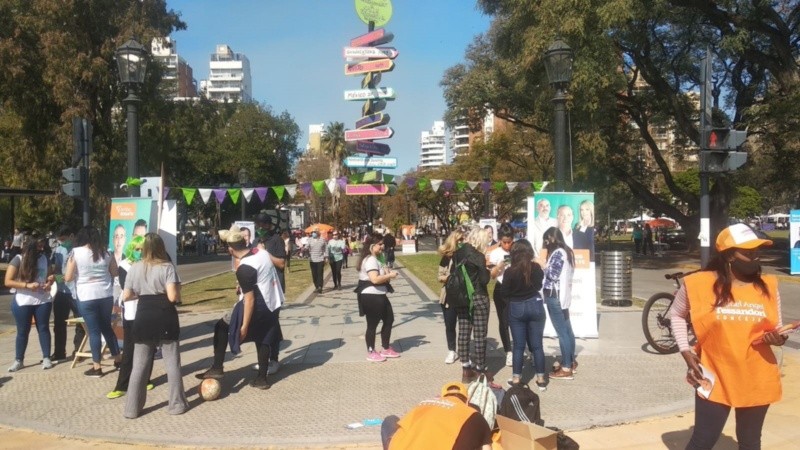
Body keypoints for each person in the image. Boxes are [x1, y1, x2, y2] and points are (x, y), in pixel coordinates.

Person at [670, 224, 787, 449]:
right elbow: (676, 314)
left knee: (750, 442)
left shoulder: (769, 287)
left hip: (756, 375)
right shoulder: (699, 284)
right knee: (703, 440)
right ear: (729, 255)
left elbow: (777, 328)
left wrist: (778, 338)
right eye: (747, 252)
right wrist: (685, 350)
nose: (754, 257)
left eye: (756, 251)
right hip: (714, 375)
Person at [195, 225, 283, 390]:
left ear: (230, 250)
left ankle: (217, 367)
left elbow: (249, 300)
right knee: (263, 338)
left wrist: (243, 326)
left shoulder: (244, 268)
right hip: (273, 302)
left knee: (221, 326)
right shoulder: (261, 252)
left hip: (257, 304)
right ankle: (262, 379)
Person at [121, 233, 188, 418]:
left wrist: (142, 295)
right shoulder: (166, 267)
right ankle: (176, 405)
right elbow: (173, 297)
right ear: (161, 247)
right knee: (172, 362)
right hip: (164, 314)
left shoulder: (134, 268)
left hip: (143, 314)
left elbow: (126, 295)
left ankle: (132, 409)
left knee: (139, 365)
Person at [64, 226, 122, 377]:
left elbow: (68, 277)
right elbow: (115, 272)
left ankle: (97, 367)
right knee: (107, 328)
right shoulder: (107, 252)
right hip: (105, 295)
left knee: (93, 331)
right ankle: (118, 360)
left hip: (86, 296)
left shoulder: (76, 253)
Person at [107, 236, 155, 400]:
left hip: (148, 311)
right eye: (137, 249)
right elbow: (127, 290)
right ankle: (122, 385)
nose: (140, 252)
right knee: (129, 350)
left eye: (142, 249)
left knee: (148, 347)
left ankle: (146, 378)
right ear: (131, 249)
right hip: (132, 313)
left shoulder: (150, 264)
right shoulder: (125, 265)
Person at [381, 382, 493, 450]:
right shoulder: (473, 415)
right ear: (467, 401)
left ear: (440, 397)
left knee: (390, 420)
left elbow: (403, 427)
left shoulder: (424, 404)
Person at [5, 238, 55, 372]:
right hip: (23, 301)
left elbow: (50, 275)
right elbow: (8, 281)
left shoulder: (45, 258)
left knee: (43, 328)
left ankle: (46, 357)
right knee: (22, 331)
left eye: (42, 246)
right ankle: (18, 360)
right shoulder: (18, 259)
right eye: (38, 247)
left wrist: (49, 282)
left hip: (42, 300)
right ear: (30, 248)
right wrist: (27, 285)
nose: (42, 249)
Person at [503, 239, 547, 390]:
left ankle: (516, 378)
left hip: (516, 307)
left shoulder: (510, 271)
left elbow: (504, 292)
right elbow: (540, 284)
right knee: (537, 345)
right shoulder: (535, 268)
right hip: (535, 304)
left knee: (518, 346)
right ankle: (541, 378)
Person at [454, 226, 493, 385]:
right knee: (479, 334)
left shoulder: (459, 252)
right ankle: (480, 369)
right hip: (478, 297)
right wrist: (490, 270)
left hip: (463, 297)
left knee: (463, 331)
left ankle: (465, 368)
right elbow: (484, 280)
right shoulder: (478, 256)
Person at [355, 232, 400, 362]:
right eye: (380, 244)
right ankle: (371, 351)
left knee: (389, 319)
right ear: (372, 246)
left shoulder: (378, 259)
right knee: (372, 324)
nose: (382, 247)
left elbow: (384, 278)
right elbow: (374, 279)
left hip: (380, 294)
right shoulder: (370, 260)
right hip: (370, 296)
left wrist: (386, 270)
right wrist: (389, 276)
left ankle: (385, 348)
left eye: (382, 244)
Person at [542, 227, 577, 381]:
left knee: (562, 332)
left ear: (550, 239)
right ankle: (569, 361)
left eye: (546, 241)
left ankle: (566, 368)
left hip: (554, 295)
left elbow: (552, 274)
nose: (545, 245)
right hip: (562, 296)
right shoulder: (567, 251)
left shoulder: (558, 253)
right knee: (567, 330)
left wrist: (542, 265)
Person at [50, 225, 83, 362]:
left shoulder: (80, 250)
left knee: (80, 323)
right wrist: (57, 278)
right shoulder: (59, 250)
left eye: (64, 239)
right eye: (60, 240)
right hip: (62, 291)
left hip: (77, 292)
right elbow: (56, 270)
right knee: (59, 323)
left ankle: (78, 350)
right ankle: (59, 352)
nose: (62, 243)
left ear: (71, 236)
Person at [487, 223, 514, 367]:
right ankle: (508, 351)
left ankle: (522, 349)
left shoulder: (518, 249)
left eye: (510, 242)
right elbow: (492, 275)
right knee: (504, 322)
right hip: (501, 289)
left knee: (517, 321)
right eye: (504, 242)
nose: (507, 245)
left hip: (516, 290)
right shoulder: (495, 253)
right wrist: (499, 266)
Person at [437, 229, 465, 365]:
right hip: (449, 296)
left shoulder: (466, 256)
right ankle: (451, 350)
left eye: (463, 240)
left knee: (465, 324)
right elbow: (439, 276)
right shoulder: (446, 258)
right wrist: (450, 277)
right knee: (450, 324)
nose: (462, 242)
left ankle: (463, 350)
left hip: (463, 296)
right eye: (460, 240)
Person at [307, 227, 327, 294]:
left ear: (318, 233)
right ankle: (316, 286)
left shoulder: (322, 240)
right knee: (314, 274)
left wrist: (326, 257)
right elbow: (307, 246)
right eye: (313, 232)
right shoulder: (310, 240)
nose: (313, 233)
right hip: (312, 260)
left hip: (320, 259)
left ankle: (320, 287)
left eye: (315, 232)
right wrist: (304, 248)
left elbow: (325, 249)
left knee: (320, 274)